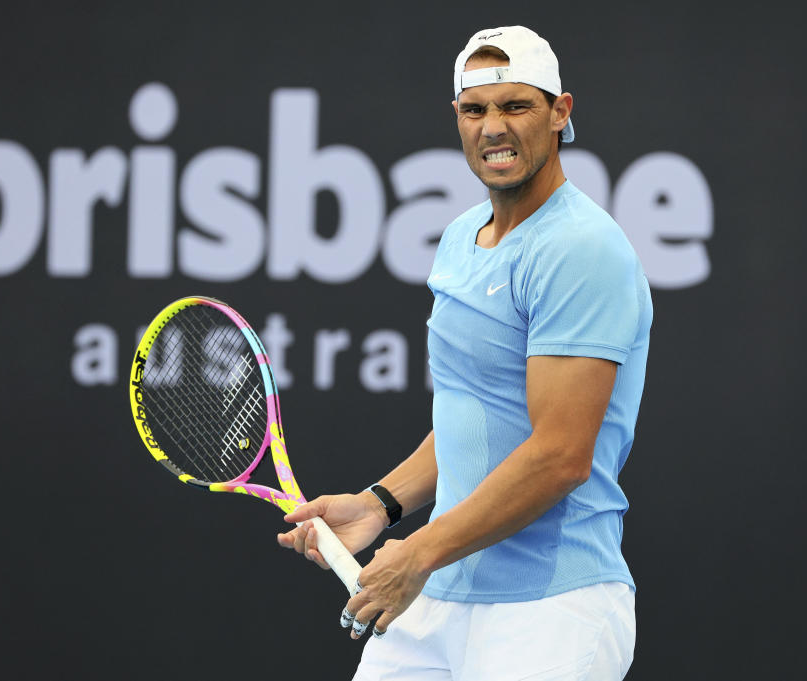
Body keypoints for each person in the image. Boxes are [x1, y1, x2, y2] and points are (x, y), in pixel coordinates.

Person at [278, 25, 652, 680]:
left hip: (552, 608)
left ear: (561, 113)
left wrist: (417, 551)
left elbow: (560, 454)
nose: (493, 128)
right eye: (476, 110)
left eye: (516, 106)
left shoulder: (581, 248)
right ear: (457, 117)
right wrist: (379, 504)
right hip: (440, 596)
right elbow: (475, 414)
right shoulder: (459, 239)